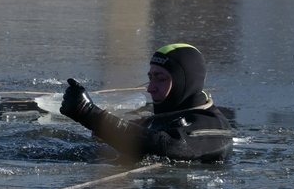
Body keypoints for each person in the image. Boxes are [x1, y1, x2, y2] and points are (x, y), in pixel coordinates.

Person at [59, 43, 233, 163]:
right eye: (150, 78)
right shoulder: (163, 118)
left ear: (183, 83)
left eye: (161, 79)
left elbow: (171, 146)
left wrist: (90, 114)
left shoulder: (214, 126)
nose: (151, 88)